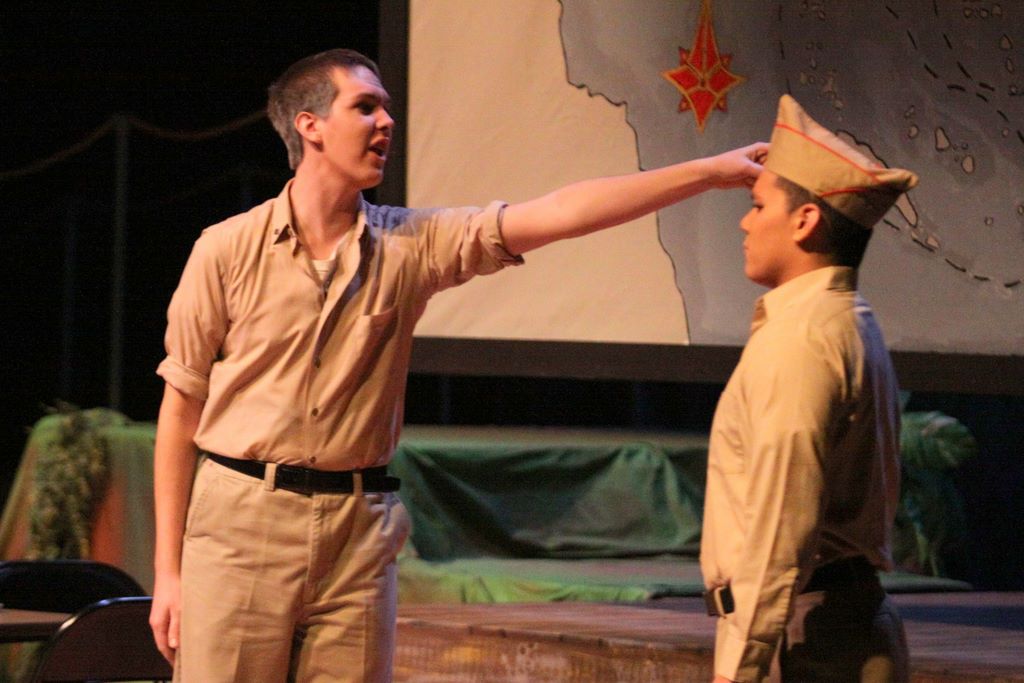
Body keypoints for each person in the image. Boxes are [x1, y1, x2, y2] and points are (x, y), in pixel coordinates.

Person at [148, 47, 766, 682]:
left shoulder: (410, 245)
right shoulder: (227, 249)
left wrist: (708, 172)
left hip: (357, 535)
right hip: (242, 526)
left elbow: (559, 213)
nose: (387, 121)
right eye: (365, 107)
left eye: (387, 107)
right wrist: (168, 574)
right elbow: (180, 410)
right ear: (311, 126)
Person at [700, 94, 918, 683]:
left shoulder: (802, 339)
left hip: (811, 641)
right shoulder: (844, 318)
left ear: (805, 221)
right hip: (831, 623)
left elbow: (780, 525)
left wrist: (737, 670)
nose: (745, 222)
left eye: (758, 205)